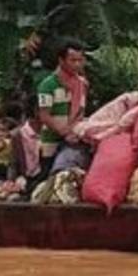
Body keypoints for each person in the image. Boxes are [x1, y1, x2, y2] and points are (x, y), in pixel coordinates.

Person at [37, 39, 90, 175]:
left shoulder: (82, 84)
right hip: (51, 141)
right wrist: (64, 133)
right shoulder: (48, 85)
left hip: (74, 140)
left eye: (80, 60)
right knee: (49, 179)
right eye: (73, 60)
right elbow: (44, 115)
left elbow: (81, 111)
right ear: (61, 60)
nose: (77, 64)